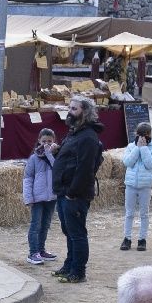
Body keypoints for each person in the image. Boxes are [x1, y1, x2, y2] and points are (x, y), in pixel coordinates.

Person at [51, 95, 103, 286]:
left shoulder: (88, 136)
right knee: (69, 231)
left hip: (74, 194)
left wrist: (72, 192)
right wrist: (58, 151)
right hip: (64, 191)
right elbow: (71, 159)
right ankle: (69, 264)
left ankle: (78, 271)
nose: (70, 112)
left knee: (77, 233)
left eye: (74, 109)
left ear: (85, 112)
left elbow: (85, 169)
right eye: (70, 108)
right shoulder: (74, 132)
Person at [119, 122, 152, 253]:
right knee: (129, 213)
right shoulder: (130, 146)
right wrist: (137, 148)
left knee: (144, 213)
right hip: (131, 184)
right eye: (140, 135)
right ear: (136, 134)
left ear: (150, 135)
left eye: (146, 135)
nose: (143, 138)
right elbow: (127, 162)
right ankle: (127, 238)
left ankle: (142, 239)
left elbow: (150, 164)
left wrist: (144, 148)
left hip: (145, 185)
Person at [23, 128, 59, 265]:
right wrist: (28, 198)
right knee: (35, 225)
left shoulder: (56, 156)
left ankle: (41, 249)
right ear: (39, 141)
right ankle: (33, 252)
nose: (46, 144)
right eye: (44, 141)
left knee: (45, 225)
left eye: (50, 141)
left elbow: (58, 169)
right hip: (37, 198)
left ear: (54, 142)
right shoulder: (33, 158)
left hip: (51, 197)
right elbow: (27, 178)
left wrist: (50, 154)